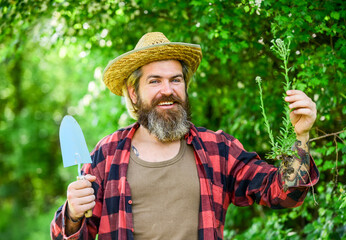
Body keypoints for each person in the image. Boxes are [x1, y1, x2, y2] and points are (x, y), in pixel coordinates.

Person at [51, 32, 319, 240]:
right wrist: (73, 214)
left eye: (175, 80)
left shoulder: (217, 149)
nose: (167, 90)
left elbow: (284, 194)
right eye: (154, 81)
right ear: (134, 93)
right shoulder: (107, 154)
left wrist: (301, 136)